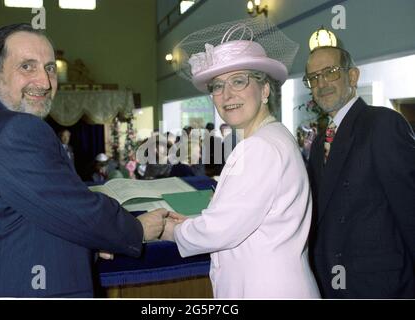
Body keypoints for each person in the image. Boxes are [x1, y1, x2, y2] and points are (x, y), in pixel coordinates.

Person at [0, 23, 171, 298]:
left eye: (50, 68)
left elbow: (28, 214)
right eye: (27, 66)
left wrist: (90, 242)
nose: (44, 82)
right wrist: (137, 229)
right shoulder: (16, 129)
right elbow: (76, 209)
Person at [161, 17, 320, 298]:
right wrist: (190, 222)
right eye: (217, 86)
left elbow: (220, 230)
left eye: (238, 81)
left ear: (265, 89)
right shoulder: (272, 135)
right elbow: (242, 215)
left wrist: (168, 230)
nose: (226, 95)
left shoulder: (260, 147)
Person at [304, 46, 415, 298]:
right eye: (313, 77)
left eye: (330, 72)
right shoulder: (322, 140)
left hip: (379, 285)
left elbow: (410, 210)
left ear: (352, 77)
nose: (321, 83)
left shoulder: (382, 124)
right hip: (331, 280)